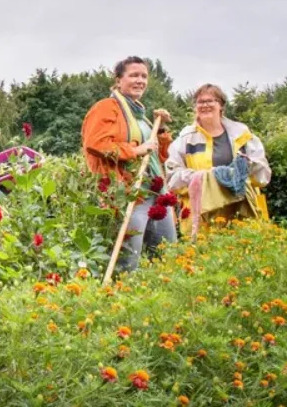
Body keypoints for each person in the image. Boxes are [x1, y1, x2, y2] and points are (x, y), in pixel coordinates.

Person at [81, 56, 176, 272]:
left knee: (167, 256)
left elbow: (156, 158)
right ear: (118, 80)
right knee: (128, 262)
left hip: (156, 192)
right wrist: (134, 150)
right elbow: (95, 143)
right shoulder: (107, 107)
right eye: (133, 75)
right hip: (130, 193)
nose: (140, 80)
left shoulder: (140, 116)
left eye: (144, 76)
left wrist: (159, 133)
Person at [165, 84, 271, 238]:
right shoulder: (185, 139)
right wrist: (207, 177)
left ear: (221, 105)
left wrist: (247, 166)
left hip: (241, 214)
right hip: (202, 217)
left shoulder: (242, 135)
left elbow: (264, 176)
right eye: (200, 102)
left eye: (211, 101)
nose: (205, 105)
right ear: (195, 107)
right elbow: (172, 179)